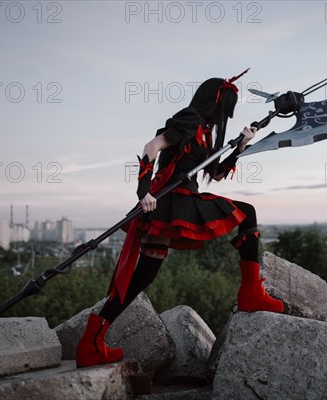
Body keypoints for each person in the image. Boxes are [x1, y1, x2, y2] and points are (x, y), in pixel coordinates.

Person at [75, 70, 284, 368]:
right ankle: (250, 292)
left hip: (182, 198)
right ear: (214, 103)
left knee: (145, 273)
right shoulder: (189, 119)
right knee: (246, 212)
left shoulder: (206, 133)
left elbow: (216, 174)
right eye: (226, 108)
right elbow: (152, 147)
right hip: (171, 199)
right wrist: (143, 192)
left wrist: (239, 146)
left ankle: (91, 341)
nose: (226, 115)